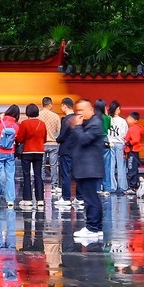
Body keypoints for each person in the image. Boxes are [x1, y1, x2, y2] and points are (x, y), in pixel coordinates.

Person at [62, 99, 106, 242]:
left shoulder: (95, 124)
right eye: (77, 110)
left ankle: (92, 227)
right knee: (91, 198)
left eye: (82, 110)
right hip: (86, 168)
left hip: (90, 168)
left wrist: (77, 126)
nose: (79, 113)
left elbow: (84, 139)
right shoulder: (89, 123)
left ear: (91, 109)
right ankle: (96, 227)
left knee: (90, 199)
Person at [18, 104, 48, 209]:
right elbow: (44, 139)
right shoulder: (42, 124)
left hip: (27, 151)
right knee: (38, 175)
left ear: (27, 113)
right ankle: (40, 199)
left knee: (26, 175)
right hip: (39, 151)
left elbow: (20, 138)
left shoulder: (24, 123)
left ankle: (27, 199)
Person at [103, 101, 128, 195]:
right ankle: (122, 186)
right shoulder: (122, 121)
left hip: (110, 144)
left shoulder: (108, 119)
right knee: (121, 166)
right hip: (119, 144)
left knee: (111, 166)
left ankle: (112, 186)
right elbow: (124, 133)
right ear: (117, 109)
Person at [38, 97, 62, 196]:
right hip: (53, 143)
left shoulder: (38, 115)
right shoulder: (55, 116)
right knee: (53, 165)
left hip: (41, 144)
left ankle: (40, 185)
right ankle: (54, 186)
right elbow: (59, 131)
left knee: (41, 165)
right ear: (50, 104)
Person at [124, 110, 144, 193]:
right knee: (134, 169)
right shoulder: (136, 128)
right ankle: (135, 185)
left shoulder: (133, 129)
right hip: (134, 151)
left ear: (135, 121)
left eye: (129, 118)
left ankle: (132, 187)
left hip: (132, 151)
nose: (127, 119)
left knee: (131, 169)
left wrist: (128, 143)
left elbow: (136, 139)